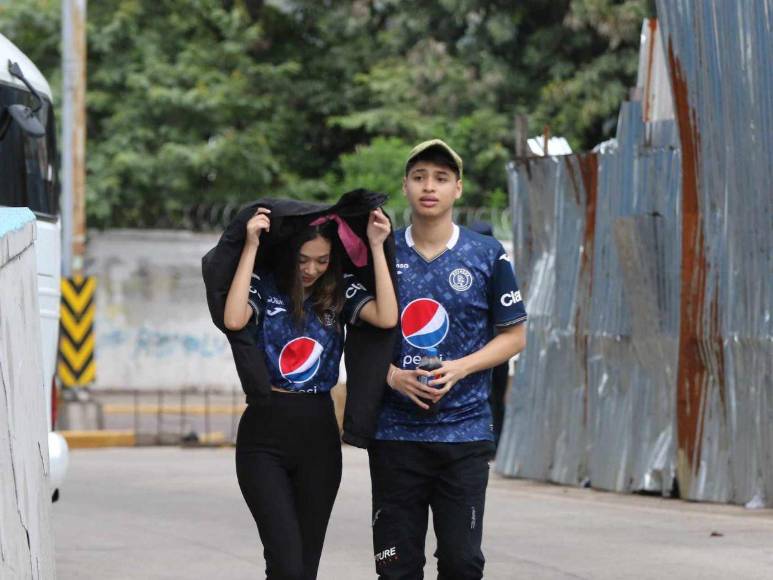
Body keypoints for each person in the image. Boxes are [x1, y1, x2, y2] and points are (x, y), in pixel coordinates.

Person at [369, 139, 528, 579]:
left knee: (461, 562)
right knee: (395, 566)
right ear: (405, 187)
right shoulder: (382, 254)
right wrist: (393, 376)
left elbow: (514, 336)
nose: (429, 187)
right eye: (419, 177)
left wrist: (461, 368)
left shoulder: (487, 255)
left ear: (458, 188)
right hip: (395, 435)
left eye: (440, 178)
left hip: (464, 434)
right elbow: (351, 335)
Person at [224, 206, 397, 580]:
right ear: (289, 255)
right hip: (264, 435)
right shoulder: (265, 283)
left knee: (304, 568)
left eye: (322, 260)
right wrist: (251, 245)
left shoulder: (338, 291)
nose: (311, 269)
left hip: (318, 436)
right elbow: (234, 318)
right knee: (285, 564)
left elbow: (386, 316)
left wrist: (378, 247)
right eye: (303, 259)